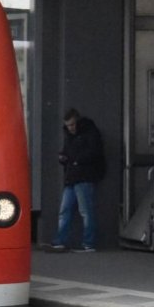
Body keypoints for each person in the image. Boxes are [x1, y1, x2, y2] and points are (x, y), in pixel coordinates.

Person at [49, 108, 105, 253]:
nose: (71, 128)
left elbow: (94, 152)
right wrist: (65, 158)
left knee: (83, 211)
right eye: (68, 125)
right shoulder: (75, 135)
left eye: (73, 124)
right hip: (74, 176)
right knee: (69, 210)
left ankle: (87, 243)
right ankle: (66, 241)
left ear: (78, 122)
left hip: (82, 176)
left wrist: (73, 160)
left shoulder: (89, 133)